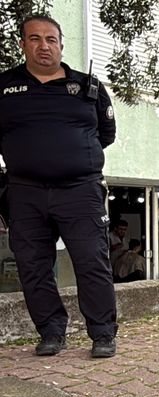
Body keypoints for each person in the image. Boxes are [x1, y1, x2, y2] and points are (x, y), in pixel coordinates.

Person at [0, 15, 118, 358]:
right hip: (25, 191)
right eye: (35, 39)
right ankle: (51, 331)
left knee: (92, 262)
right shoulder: (4, 87)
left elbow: (106, 134)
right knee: (33, 267)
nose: (44, 46)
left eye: (51, 39)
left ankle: (103, 334)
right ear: (22, 44)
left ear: (61, 45)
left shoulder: (87, 86)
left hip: (80, 190)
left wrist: (72, 156)